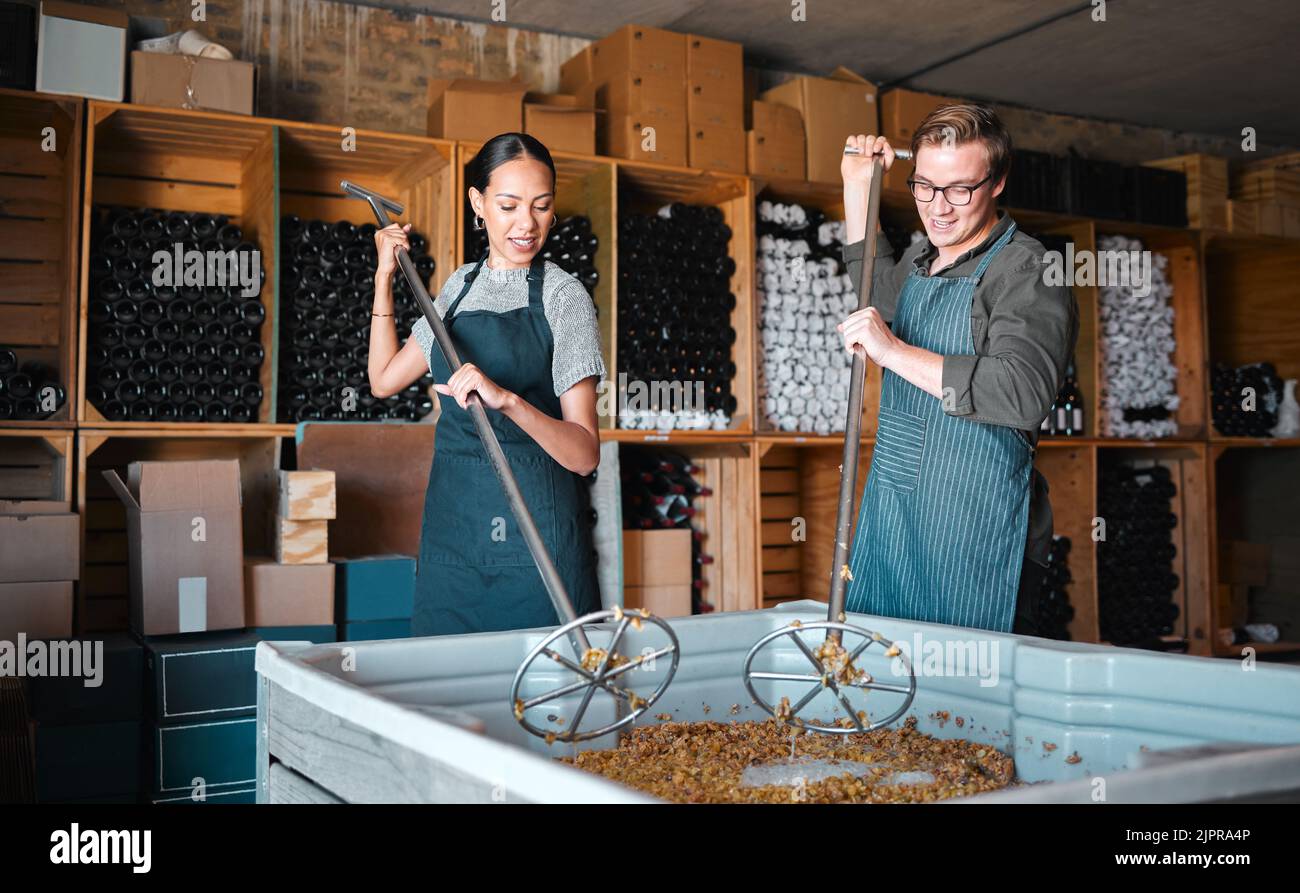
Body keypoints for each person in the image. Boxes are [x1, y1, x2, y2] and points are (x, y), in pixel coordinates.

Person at [837, 104, 1078, 635]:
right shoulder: (925, 255)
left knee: (969, 702)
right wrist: (858, 190)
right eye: (924, 186)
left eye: (959, 190)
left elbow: (1021, 393)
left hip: (976, 528)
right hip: (898, 518)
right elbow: (875, 305)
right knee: (886, 684)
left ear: (997, 182)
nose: (938, 209)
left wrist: (894, 352)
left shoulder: (1028, 270)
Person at [366, 132, 605, 636]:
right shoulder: (458, 287)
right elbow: (385, 379)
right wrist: (384, 276)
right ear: (478, 203)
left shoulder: (564, 298)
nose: (527, 224)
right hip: (455, 538)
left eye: (541, 206)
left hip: (537, 537)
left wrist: (507, 400)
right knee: (447, 692)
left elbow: (584, 455)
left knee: (546, 700)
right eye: (509, 205)